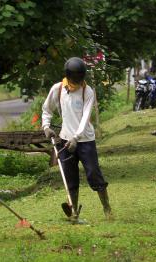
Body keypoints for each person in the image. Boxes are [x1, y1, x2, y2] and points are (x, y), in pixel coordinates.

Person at [42, 57, 112, 221]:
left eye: (81, 79)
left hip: (85, 140)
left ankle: (107, 208)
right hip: (65, 140)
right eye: (76, 79)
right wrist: (46, 126)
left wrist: (76, 137)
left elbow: (85, 118)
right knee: (70, 178)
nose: (78, 82)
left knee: (94, 174)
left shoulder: (87, 92)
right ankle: (73, 213)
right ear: (68, 76)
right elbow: (46, 110)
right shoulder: (58, 89)